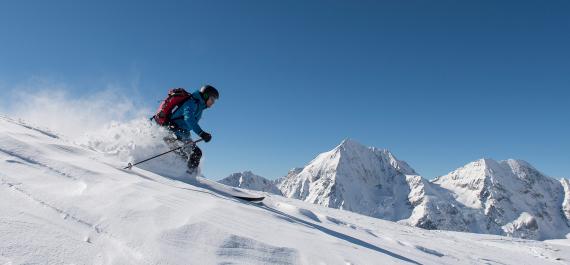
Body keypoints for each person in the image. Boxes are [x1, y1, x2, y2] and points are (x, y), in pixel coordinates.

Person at [164, 85, 219, 175]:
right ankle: (186, 178)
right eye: (212, 99)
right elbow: (188, 119)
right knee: (183, 156)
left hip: (183, 134)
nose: (213, 103)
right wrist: (201, 133)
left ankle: (188, 177)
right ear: (205, 96)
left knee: (196, 153)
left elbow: (187, 125)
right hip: (172, 132)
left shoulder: (200, 106)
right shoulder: (192, 102)